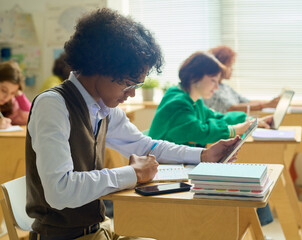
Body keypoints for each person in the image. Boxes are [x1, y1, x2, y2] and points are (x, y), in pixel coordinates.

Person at [25, 8, 240, 240]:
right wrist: (131, 173)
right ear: (102, 67)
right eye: (128, 84)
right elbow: (60, 190)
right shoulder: (53, 105)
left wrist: (203, 156)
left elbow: (147, 147)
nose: (131, 95)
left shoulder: (103, 108)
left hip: (98, 230)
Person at [148, 51, 274, 227]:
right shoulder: (177, 101)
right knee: (241, 182)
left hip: (184, 160)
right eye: (213, 81)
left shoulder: (193, 99)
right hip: (168, 166)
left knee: (249, 179)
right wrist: (234, 129)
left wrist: (248, 121)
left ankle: (253, 228)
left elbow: (215, 116)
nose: (216, 88)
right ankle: (244, 227)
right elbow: (199, 131)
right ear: (195, 77)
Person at [203, 45, 280, 114]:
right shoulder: (211, 90)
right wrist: (266, 105)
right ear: (221, 65)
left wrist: (271, 103)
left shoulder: (225, 87)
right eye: (230, 66)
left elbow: (246, 102)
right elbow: (231, 108)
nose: (232, 69)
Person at [0, 60, 31, 129]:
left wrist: (20, 96)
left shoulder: (11, 103)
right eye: (4, 90)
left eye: (12, 93)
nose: (7, 97)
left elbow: (30, 118)